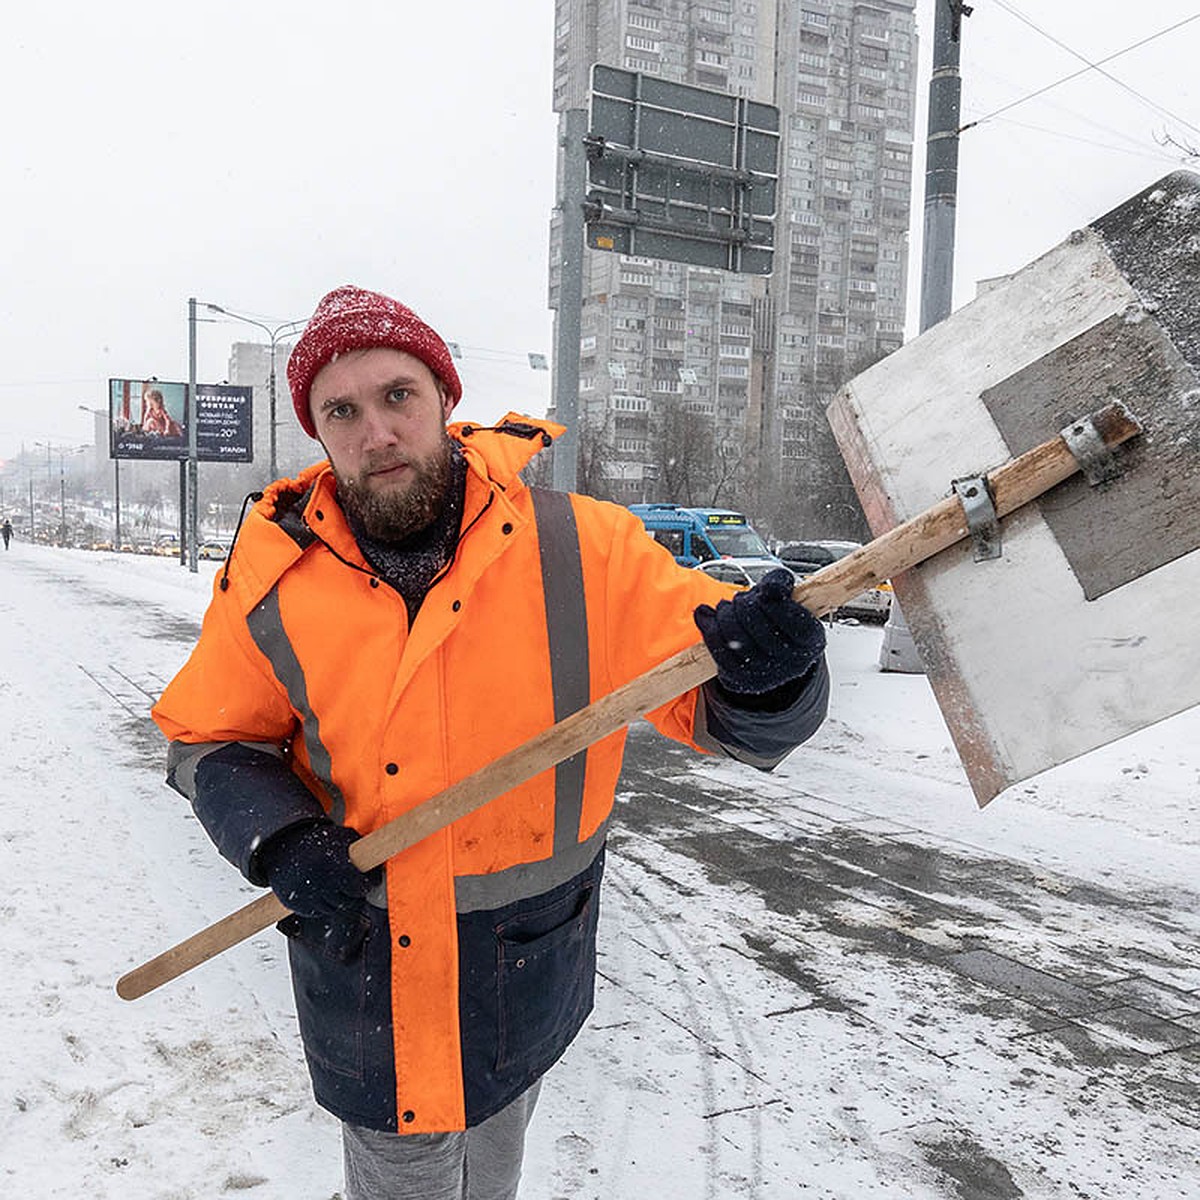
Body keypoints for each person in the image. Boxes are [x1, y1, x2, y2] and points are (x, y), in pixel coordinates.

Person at [151, 285, 830, 1200]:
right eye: (341, 410)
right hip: (366, 966)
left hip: (519, 962)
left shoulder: (584, 548)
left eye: (397, 396)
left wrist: (769, 675)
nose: (375, 432)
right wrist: (280, 837)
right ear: (318, 432)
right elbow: (208, 737)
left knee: (494, 1171)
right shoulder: (274, 578)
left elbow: (711, 698)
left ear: (443, 399)